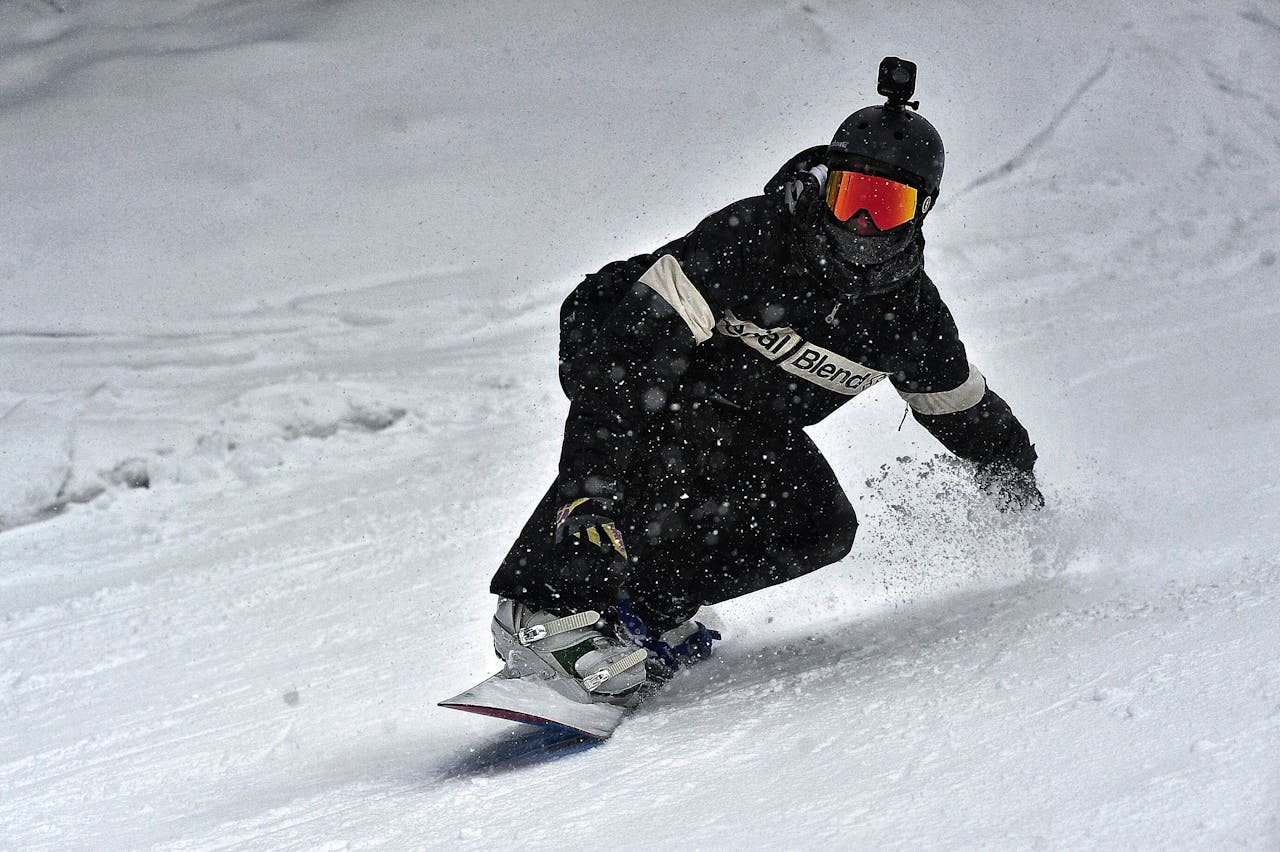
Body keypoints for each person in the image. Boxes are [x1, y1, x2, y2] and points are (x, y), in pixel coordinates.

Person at [487, 58, 1042, 705]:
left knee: (817, 523)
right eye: (850, 197)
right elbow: (632, 360)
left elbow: (963, 410)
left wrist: (1017, 487)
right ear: (827, 186)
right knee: (670, 433)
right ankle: (543, 612)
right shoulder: (755, 239)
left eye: (884, 206)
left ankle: (644, 612)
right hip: (622, 336)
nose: (861, 224)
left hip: (735, 403)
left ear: (922, 213)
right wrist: (588, 494)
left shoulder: (909, 321)